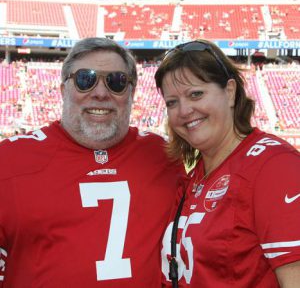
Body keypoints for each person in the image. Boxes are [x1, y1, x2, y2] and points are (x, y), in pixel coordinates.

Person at [0, 37, 184, 287]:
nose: (100, 93)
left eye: (116, 82)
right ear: (64, 90)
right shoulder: (10, 161)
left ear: (131, 94)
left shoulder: (163, 156)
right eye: (85, 80)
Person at [154, 39, 300, 287]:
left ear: (230, 92)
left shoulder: (275, 167)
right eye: (172, 102)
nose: (184, 110)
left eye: (196, 94)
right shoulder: (196, 174)